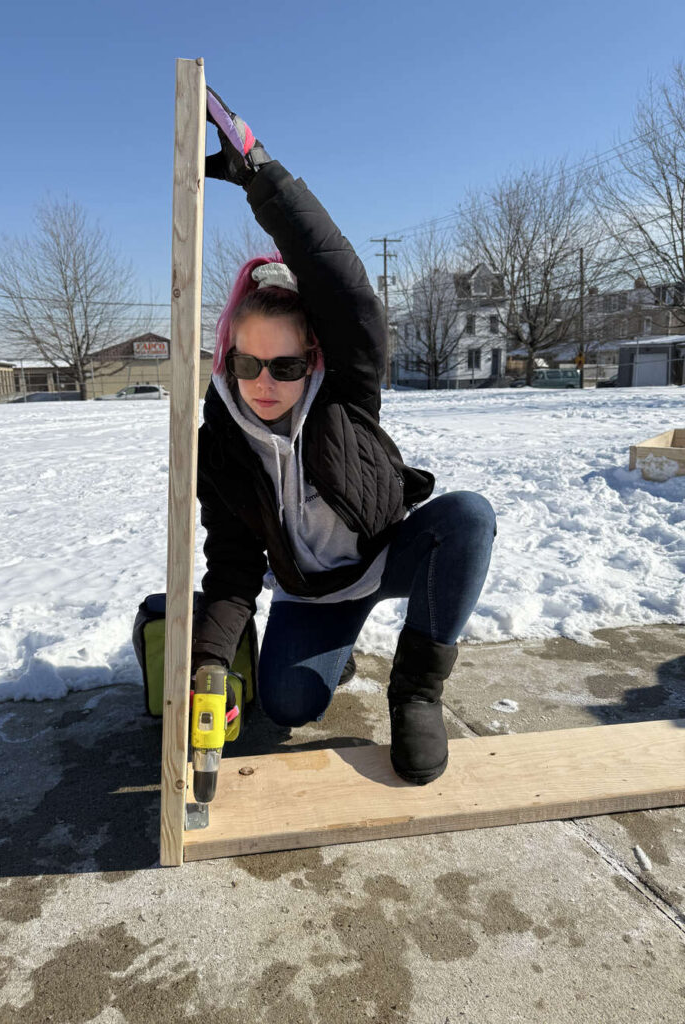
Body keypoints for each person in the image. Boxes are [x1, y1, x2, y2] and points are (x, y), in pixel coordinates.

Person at [192, 88, 496, 785]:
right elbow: (233, 563)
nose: (264, 382)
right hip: (311, 592)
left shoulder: (346, 392)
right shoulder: (223, 444)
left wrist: (263, 178)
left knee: (469, 518)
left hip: (384, 555)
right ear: (224, 361)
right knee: (288, 706)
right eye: (246, 364)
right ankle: (335, 647)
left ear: (315, 362)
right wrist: (210, 662)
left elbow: (349, 296)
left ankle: (417, 691)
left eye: (286, 364)